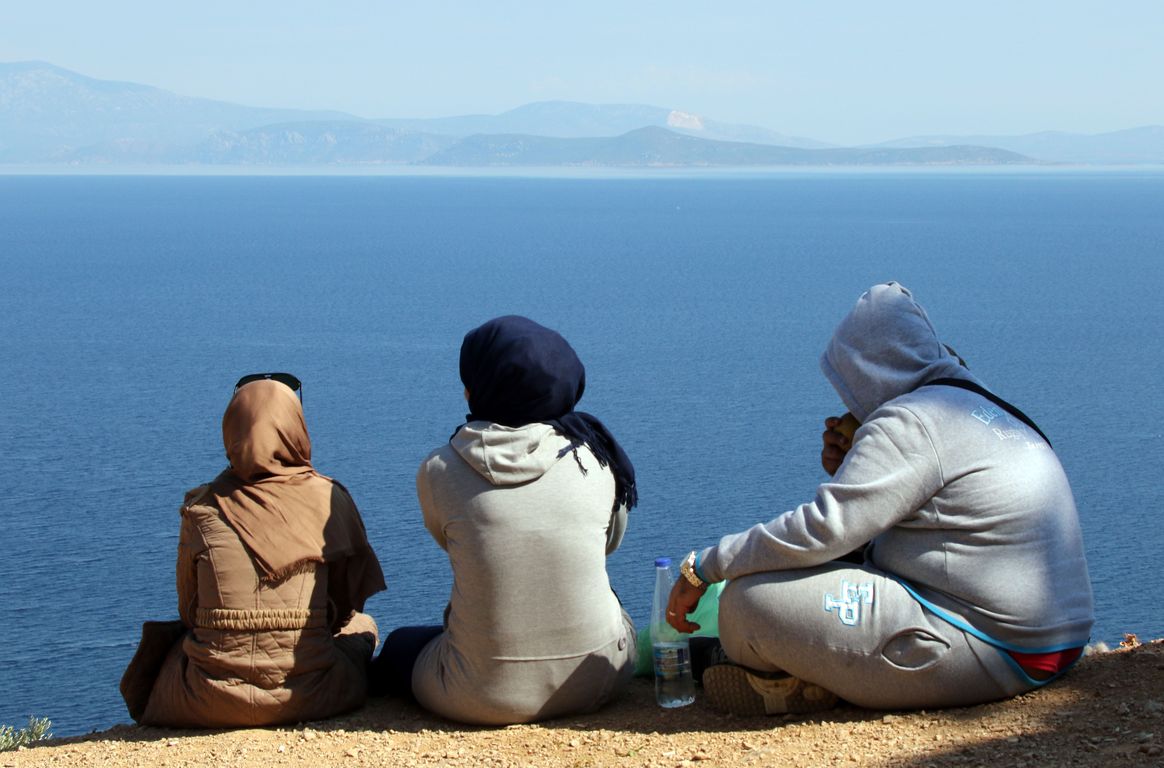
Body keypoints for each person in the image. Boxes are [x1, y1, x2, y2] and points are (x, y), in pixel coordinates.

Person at [666, 282, 1094, 715]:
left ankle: (794, 681)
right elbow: (932, 527)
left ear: (867, 371)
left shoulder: (909, 420)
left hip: (987, 650)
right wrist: (851, 472)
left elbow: (823, 530)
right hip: (1055, 644)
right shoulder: (989, 407)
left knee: (745, 603)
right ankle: (821, 673)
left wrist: (707, 565)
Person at [371, 315, 637, 725]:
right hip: (600, 679)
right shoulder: (596, 460)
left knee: (400, 646)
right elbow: (609, 543)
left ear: (476, 390)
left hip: (480, 695)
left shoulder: (439, 469)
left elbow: (456, 543)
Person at [121, 374, 386, 728]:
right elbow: (343, 609)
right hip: (313, 693)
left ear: (231, 431)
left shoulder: (201, 510)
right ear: (296, 426)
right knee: (363, 626)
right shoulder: (330, 500)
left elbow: (189, 610)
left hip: (208, 699)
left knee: (168, 649)